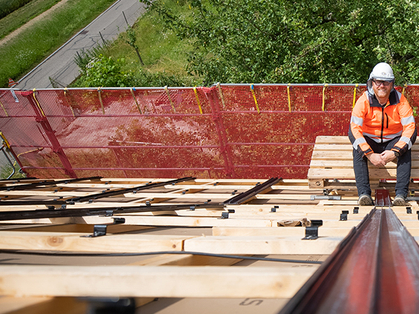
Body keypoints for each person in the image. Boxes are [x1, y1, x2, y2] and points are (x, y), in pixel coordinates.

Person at [349, 62, 417, 206]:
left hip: (393, 140)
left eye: (386, 82)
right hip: (370, 141)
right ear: (371, 83)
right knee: (358, 148)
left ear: (392, 84)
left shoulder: (401, 101)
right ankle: (364, 194)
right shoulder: (363, 101)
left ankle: (400, 195)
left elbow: (410, 129)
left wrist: (396, 151)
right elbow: (354, 130)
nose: (382, 86)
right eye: (378, 82)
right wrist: (369, 154)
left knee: (406, 149)